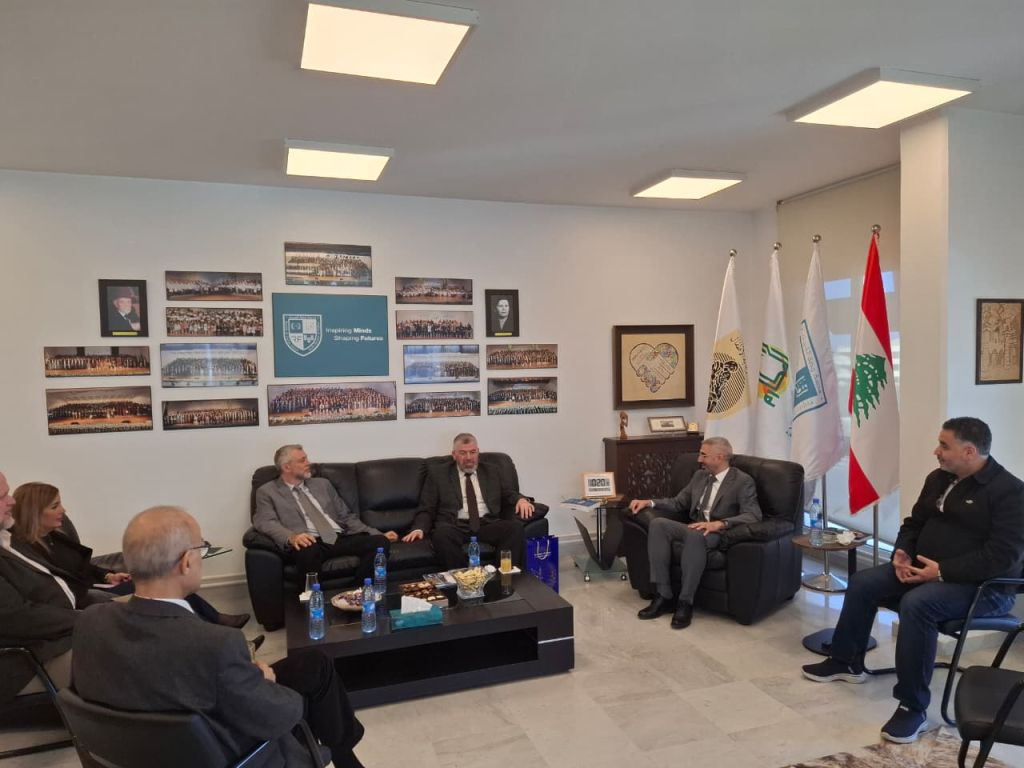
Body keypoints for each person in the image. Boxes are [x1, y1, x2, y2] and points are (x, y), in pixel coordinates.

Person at [72, 506, 365, 767]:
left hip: (147, 750)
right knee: (301, 698)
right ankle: (342, 753)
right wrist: (265, 681)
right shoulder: (215, 644)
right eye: (202, 548)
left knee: (313, 664)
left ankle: (345, 756)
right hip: (236, 755)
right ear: (186, 562)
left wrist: (243, 677)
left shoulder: (91, 621)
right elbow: (282, 716)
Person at [802, 417, 1024, 744]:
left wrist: (942, 571)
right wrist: (902, 552)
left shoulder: (1010, 492)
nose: (936, 451)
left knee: (918, 605)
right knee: (863, 583)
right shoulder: (939, 478)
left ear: (969, 451)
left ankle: (912, 707)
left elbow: (1003, 557)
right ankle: (845, 662)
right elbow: (914, 523)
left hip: (983, 588)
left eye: (944, 445)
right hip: (923, 570)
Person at [11, 481, 250, 627]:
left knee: (169, 582)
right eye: (55, 506)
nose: (64, 510)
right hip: (86, 597)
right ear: (34, 512)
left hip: (98, 585)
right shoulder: (27, 550)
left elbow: (83, 565)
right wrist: (99, 583)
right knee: (164, 584)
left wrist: (108, 576)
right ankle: (212, 625)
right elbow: (64, 583)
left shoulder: (54, 536)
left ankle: (213, 622)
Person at [629, 437, 761, 629]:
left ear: (720, 457)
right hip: (694, 527)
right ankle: (663, 596)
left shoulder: (742, 481)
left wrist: (720, 524)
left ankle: (685, 602)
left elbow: (753, 515)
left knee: (695, 534)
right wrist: (649, 502)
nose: (699, 459)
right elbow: (678, 502)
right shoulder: (700, 476)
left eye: (703, 455)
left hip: (719, 532)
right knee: (658, 524)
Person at [254, 445, 396, 580]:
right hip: (309, 541)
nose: (308, 463)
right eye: (302, 460)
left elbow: (346, 516)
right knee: (307, 551)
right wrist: (291, 537)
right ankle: (313, 596)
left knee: (380, 542)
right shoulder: (267, 492)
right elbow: (265, 522)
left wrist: (376, 533)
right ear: (287, 467)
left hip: (339, 537)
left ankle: (360, 590)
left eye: (306, 458)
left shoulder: (322, 484)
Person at [0, 471, 77, 706]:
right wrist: (90, 618)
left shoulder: (8, 540)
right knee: (130, 656)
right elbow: (17, 617)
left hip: (56, 639)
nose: (12, 501)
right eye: (2, 497)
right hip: (25, 661)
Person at [419, 433, 534, 570]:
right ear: (454, 455)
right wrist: (419, 528)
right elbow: (427, 506)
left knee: (514, 529)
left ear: (478, 452)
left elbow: (508, 492)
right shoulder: (439, 474)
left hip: (486, 523)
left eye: (472, 452)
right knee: (441, 535)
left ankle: (505, 577)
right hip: (454, 525)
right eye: (463, 453)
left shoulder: (492, 471)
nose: (469, 458)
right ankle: (463, 578)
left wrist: (521, 499)